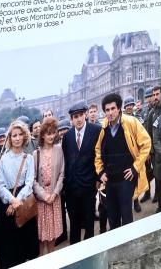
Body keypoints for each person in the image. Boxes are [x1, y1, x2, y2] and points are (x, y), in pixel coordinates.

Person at [94, 93, 151, 230]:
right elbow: (98, 152)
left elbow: (146, 143)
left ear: (119, 108)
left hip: (126, 179)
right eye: (107, 110)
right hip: (110, 181)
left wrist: (135, 167)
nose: (110, 112)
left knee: (126, 217)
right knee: (112, 219)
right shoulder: (104, 128)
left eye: (113, 108)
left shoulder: (131, 122)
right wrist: (100, 172)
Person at [0, 120, 39, 267]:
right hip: (7, 202)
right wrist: (12, 201)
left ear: (25, 137)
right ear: (10, 138)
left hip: (25, 202)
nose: (18, 138)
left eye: (20, 135)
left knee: (28, 245)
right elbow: (0, 185)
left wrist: (17, 202)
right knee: (12, 249)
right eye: (14, 135)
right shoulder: (2, 159)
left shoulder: (29, 158)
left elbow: (29, 183)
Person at [61, 101, 102, 243]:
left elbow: (99, 157)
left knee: (89, 222)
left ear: (85, 115)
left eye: (80, 115)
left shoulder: (95, 131)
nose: (78, 119)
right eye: (75, 117)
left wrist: (98, 179)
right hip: (72, 189)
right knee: (74, 224)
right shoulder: (67, 137)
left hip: (89, 187)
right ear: (71, 119)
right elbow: (66, 162)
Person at [33, 117, 65, 256]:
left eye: (53, 133)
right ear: (42, 135)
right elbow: (32, 180)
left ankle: (52, 257)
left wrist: (55, 193)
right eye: (48, 133)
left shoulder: (59, 150)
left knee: (53, 233)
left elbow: (62, 174)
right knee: (42, 234)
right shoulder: (36, 154)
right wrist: (44, 195)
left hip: (54, 197)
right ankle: (42, 259)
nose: (51, 136)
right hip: (41, 200)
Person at [150, 86, 161, 212]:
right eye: (154, 94)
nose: (155, 97)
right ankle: (160, 206)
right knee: (159, 181)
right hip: (157, 156)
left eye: (157, 94)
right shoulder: (152, 114)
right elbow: (150, 135)